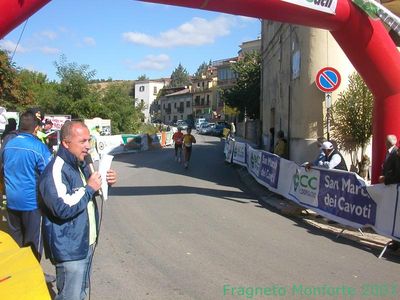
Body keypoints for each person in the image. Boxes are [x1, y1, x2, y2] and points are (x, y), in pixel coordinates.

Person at [39, 121, 117, 300]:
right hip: (69, 249)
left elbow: (86, 196)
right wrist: (89, 188)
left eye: (89, 140)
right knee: (70, 297)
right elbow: (62, 207)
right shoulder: (56, 170)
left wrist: (105, 183)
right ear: (66, 143)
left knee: (80, 294)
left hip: (84, 244)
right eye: (82, 141)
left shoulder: (78, 164)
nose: (88, 146)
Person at [2, 111, 52, 261]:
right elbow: (49, 176)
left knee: (16, 243)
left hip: (11, 202)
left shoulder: (8, 144)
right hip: (32, 204)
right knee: (32, 245)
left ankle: (17, 277)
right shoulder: (38, 147)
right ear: (36, 128)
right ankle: (32, 277)